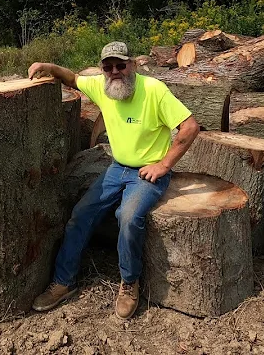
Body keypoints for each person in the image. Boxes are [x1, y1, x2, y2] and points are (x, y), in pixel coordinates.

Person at [27, 41, 200, 320]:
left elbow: (190, 126)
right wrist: (48, 67)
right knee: (80, 215)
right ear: (103, 70)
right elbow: (71, 78)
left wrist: (164, 165)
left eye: (121, 65)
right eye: (108, 67)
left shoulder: (154, 90)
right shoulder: (102, 87)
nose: (115, 71)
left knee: (129, 218)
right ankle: (63, 282)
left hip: (147, 173)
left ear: (132, 65)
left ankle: (129, 282)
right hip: (116, 168)